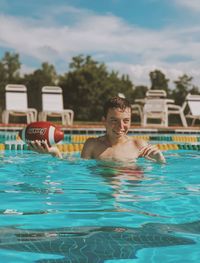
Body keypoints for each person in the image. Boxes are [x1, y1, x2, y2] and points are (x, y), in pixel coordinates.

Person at [29, 96, 166, 164]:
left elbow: (156, 176)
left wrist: (160, 160)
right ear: (104, 121)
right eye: (114, 121)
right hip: (101, 192)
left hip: (130, 194)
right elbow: (79, 171)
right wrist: (55, 153)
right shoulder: (92, 145)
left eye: (126, 121)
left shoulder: (139, 145)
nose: (121, 127)